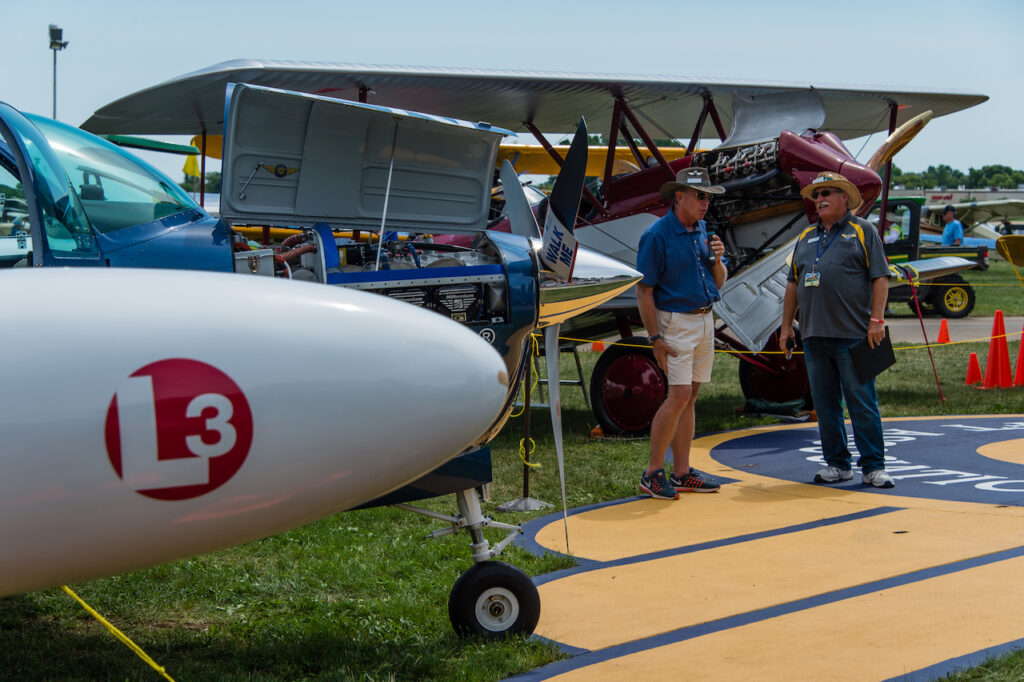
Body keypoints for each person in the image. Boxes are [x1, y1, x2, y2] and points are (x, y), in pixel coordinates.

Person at [780, 171, 895, 489]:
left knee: (862, 402)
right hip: (814, 335)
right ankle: (837, 464)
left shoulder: (863, 230)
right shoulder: (805, 237)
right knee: (825, 404)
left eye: (827, 193)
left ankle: (873, 466)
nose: (820, 199)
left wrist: (876, 320)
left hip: (855, 334)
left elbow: (880, 277)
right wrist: (786, 326)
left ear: (845, 198)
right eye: (816, 195)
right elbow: (793, 283)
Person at [635, 167, 727, 499]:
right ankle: (652, 472)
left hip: (704, 319)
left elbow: (718, 282)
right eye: (701, 196)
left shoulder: (702, 230)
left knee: (690, 397)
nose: (706, 203)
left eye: (709, 197)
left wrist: (718, 259)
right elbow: (644, 291)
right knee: (678, 397)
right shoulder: (657, 235)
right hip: (675, 322)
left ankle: (682, 471)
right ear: (680, 197)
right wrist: (656, 338)